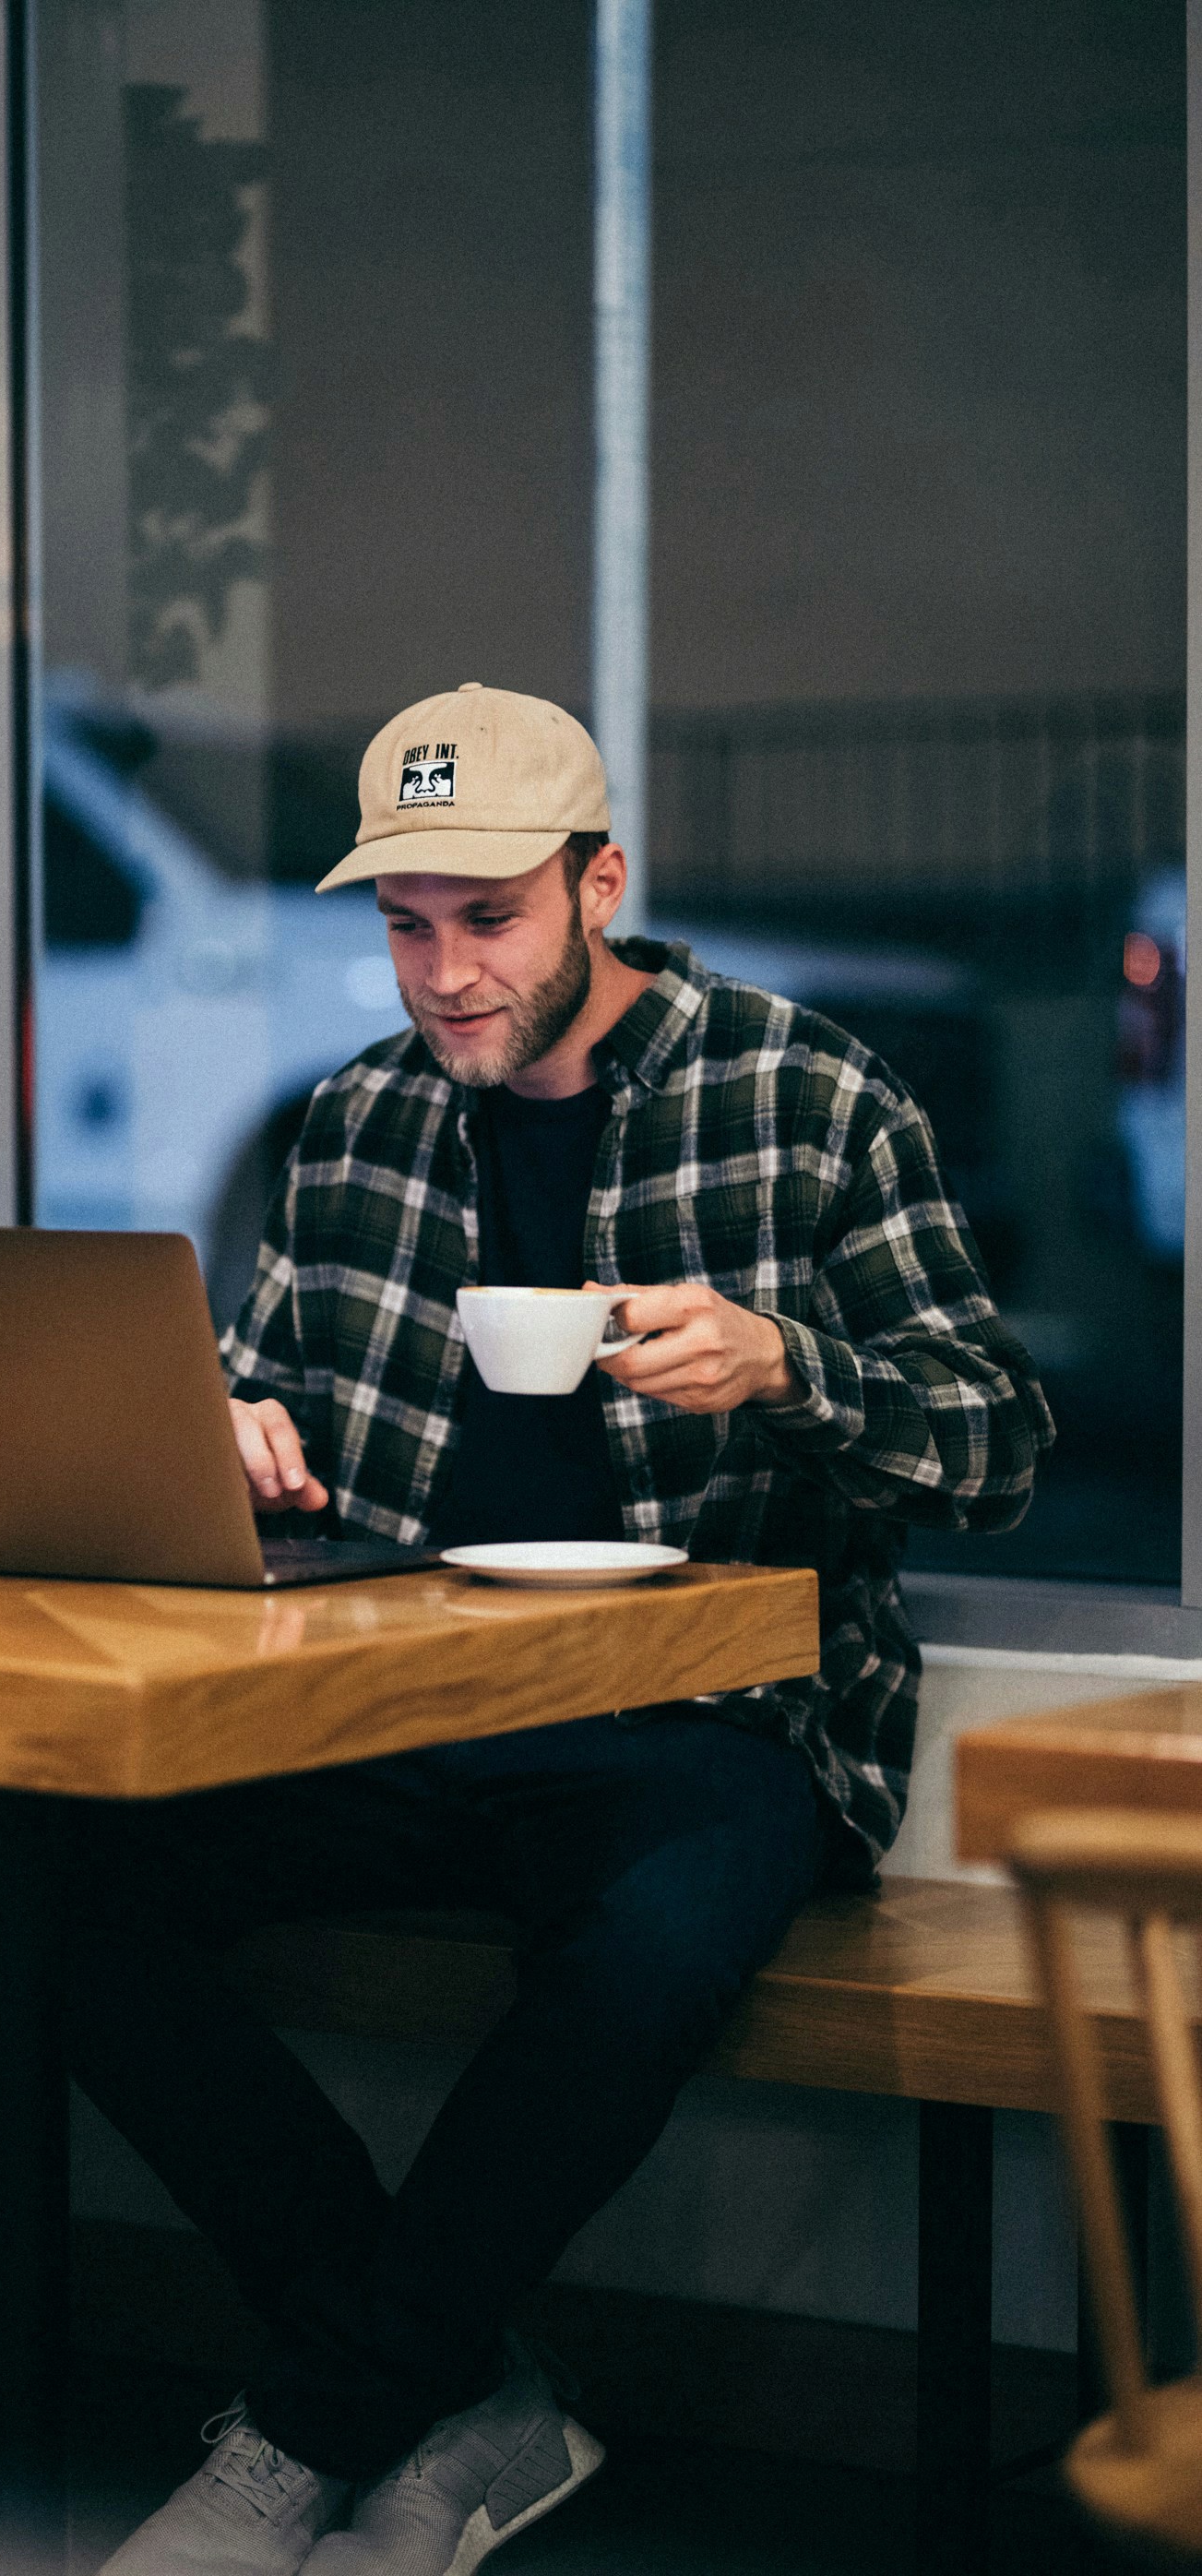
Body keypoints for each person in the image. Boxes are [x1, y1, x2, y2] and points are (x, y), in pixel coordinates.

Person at [74, 683, 1054, 2574]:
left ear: (599, 882)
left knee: (646, 1941)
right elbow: (274, 1393)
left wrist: (790, 1366)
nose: (441, 972)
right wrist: (223, 1427)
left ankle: (304, 2435)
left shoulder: (803, 1094)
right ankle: (462, 2403)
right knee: (62, 1866)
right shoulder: (356, 1118)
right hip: (398, 1700)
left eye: (489, 916)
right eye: (402, 920)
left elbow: (1000, 1443)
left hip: (716, 1710)